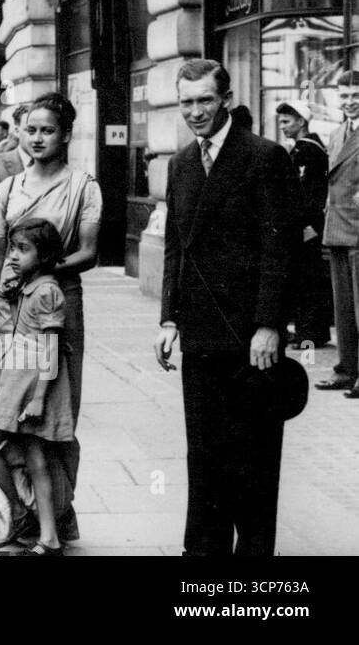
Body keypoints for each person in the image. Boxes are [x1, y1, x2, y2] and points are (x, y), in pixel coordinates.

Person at [155, 58, 299, 555]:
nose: (195, 111)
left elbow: (280, 249)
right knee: (206, 455)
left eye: (204, 100)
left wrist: (269, 326)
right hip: (199, 334)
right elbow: (176, 247)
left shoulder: (265, 157)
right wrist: (168, 318)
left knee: (254, 457)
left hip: (249, 338)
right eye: (186, 102)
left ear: (226, 98)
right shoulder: (180, 164)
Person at [0, 92, 100, 543]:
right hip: (10, 313)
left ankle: (59, 513)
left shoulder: (83, 187)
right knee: (9, 413)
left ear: (66, 134)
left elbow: (89, 252)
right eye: (30, 129)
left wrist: (40, 271)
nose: (36, 138)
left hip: (58, 306)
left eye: (47, 130)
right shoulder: (7, 189)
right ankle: (23, 512)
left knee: (55, 418)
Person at [0, 219, 75, 556]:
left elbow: (50, 350)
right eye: (12, 248)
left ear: (44, 255)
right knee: (29, 457)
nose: (13, 256)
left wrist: (38, 398)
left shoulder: (47, 291)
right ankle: (35, 527)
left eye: (23, 249)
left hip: (33, 386)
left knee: (8, 450)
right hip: (17, 383)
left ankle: (40, 531)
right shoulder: (27, 287)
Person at [276, 100, 331, 350]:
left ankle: (308, 336)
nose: (282, 126)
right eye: (281, 121)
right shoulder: (305, 148)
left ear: (301, 122)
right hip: (308, 225)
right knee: (308, 283)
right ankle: (310, 333)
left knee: (306, 284)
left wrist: (307, 225)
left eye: (287, 121)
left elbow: (308, 192)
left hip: (307, 227)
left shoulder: (306, 151)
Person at [318, 71, 359, 395]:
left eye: (355, 95)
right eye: (343, 96)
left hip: (358, 227)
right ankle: (346, 370)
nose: (349, 102)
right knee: (343, 308)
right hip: (338, 227)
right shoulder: (335, 134)